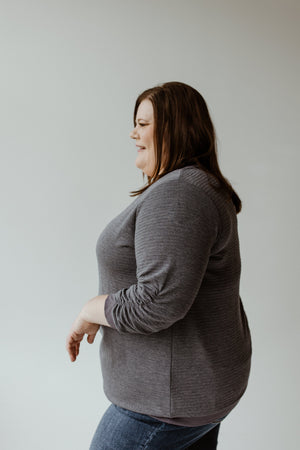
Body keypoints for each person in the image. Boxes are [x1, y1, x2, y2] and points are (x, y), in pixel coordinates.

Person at [66, 81, 252, 449]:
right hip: (188, 392)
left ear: (177, 127)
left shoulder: (179, 194)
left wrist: (92, 308)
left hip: (165, 403)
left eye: (144, 123)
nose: (133, 133)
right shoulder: (193, 187)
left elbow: (157, 302)